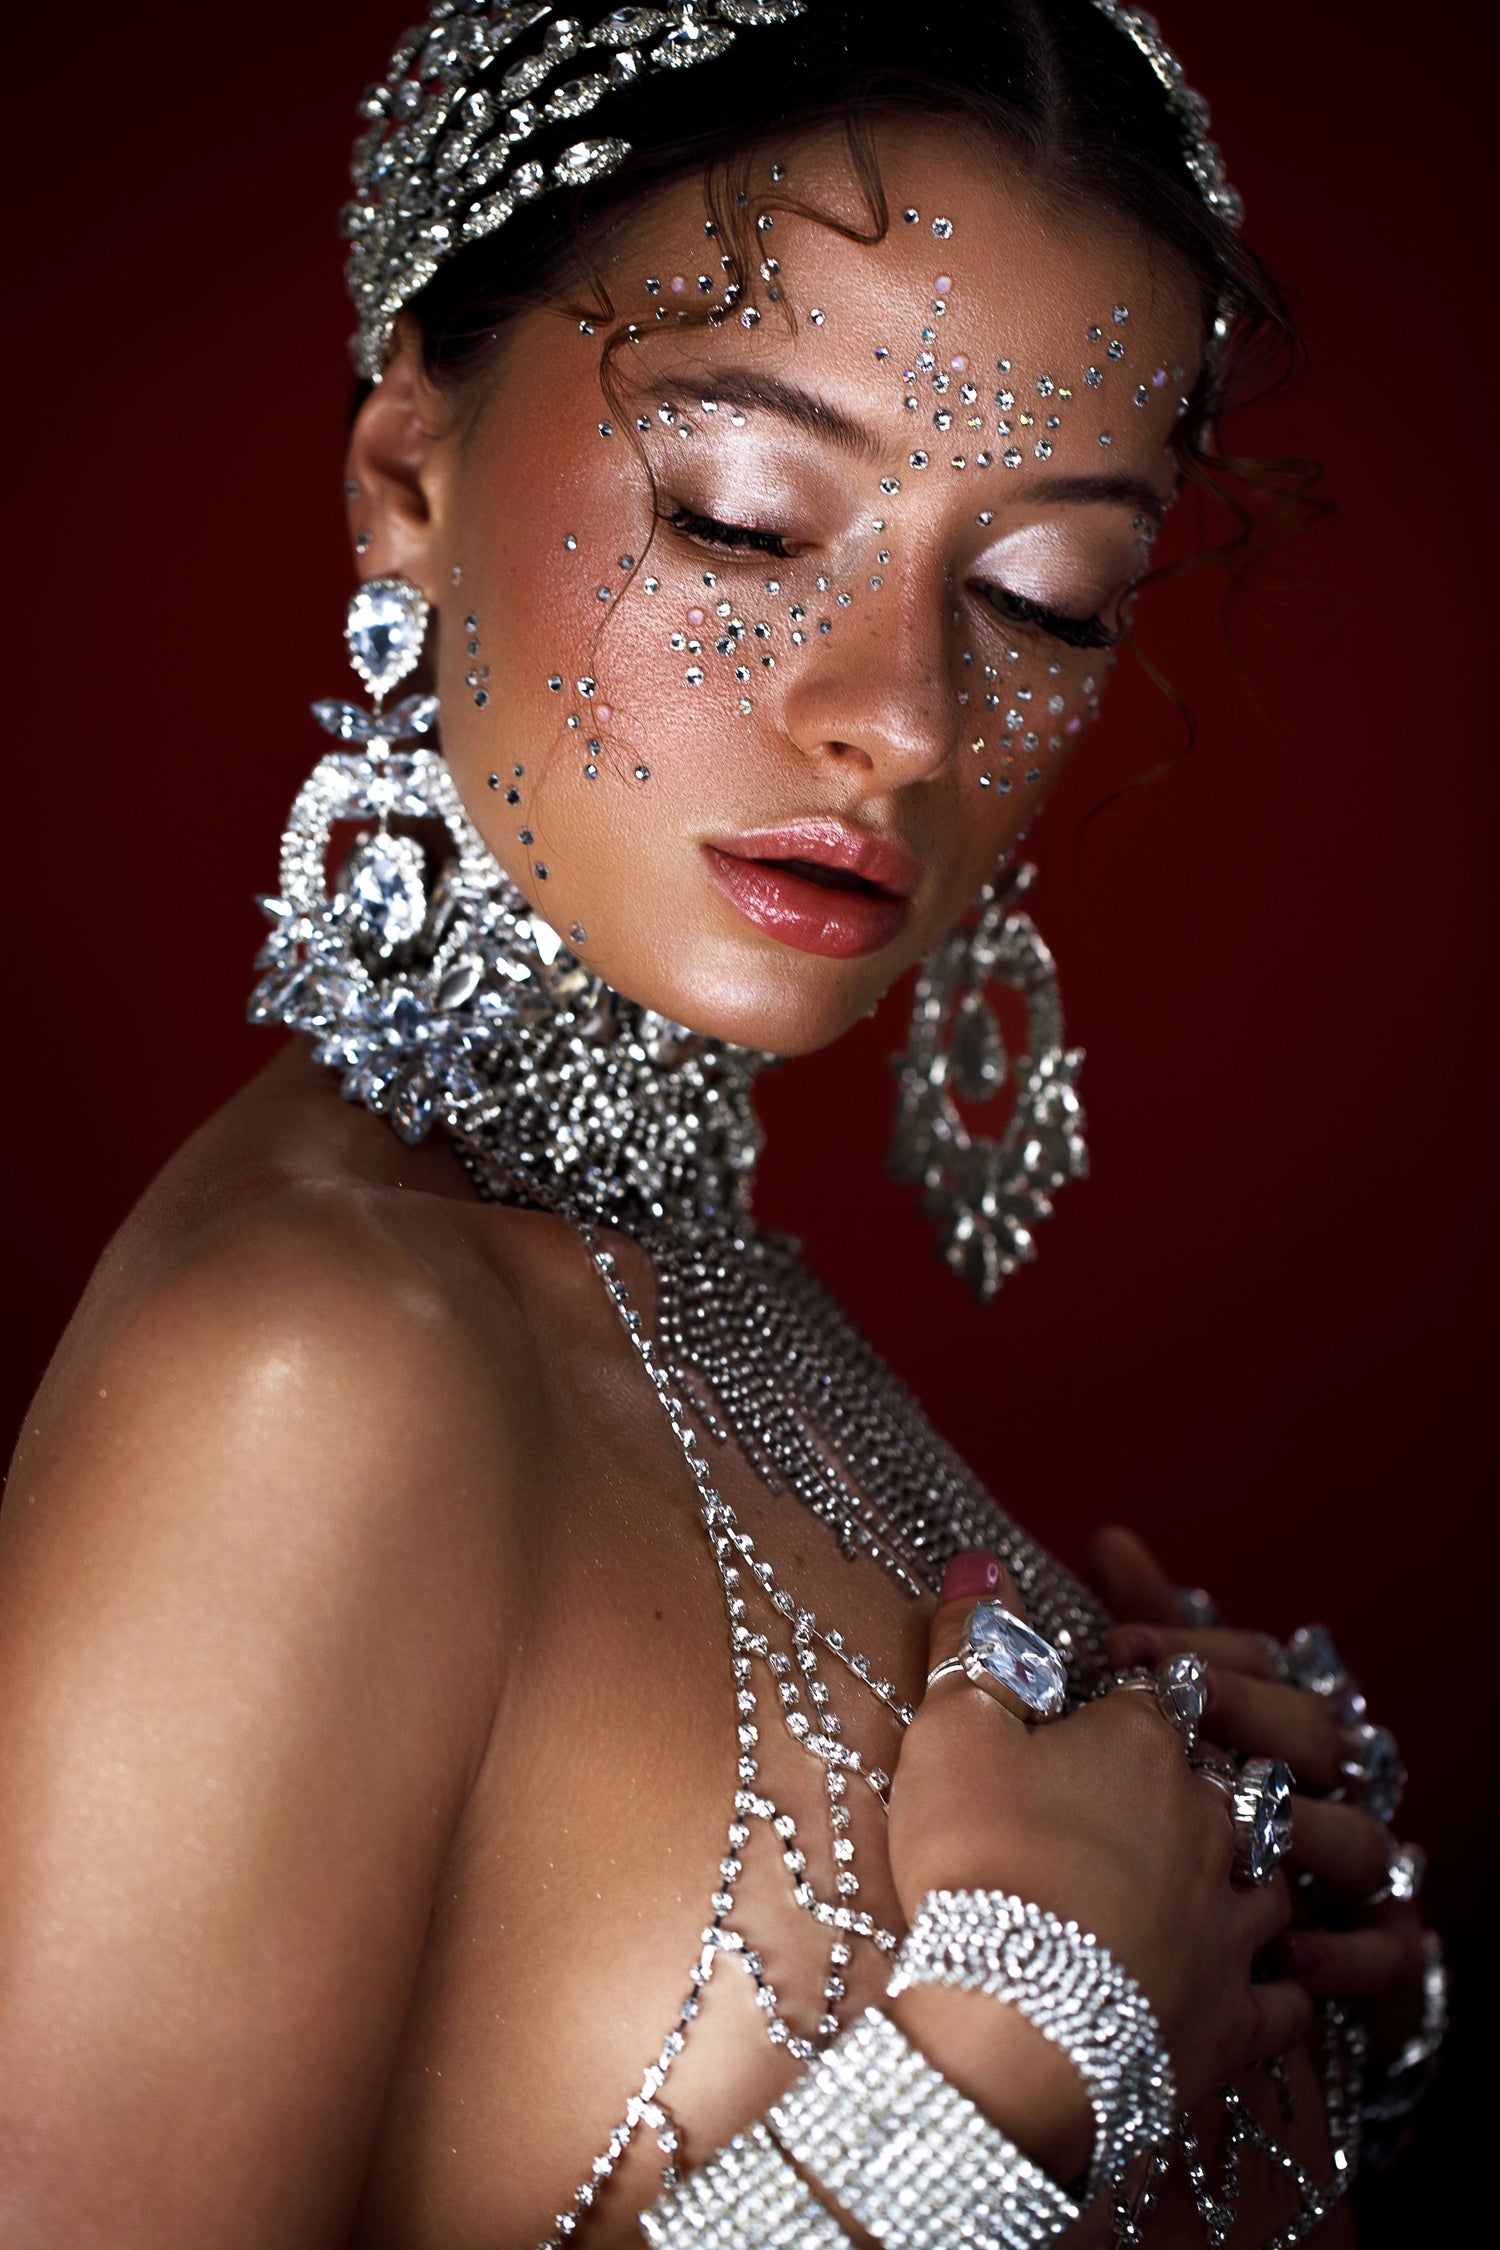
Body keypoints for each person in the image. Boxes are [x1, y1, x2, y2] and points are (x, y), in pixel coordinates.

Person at [0, 4, 1444, 2245]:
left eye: (1041, 598)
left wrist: (1273, 1987)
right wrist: (1012, 2062)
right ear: (405, 467)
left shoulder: (689, 1291)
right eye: (742, 514)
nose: (898, 716)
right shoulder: (305, 1379)